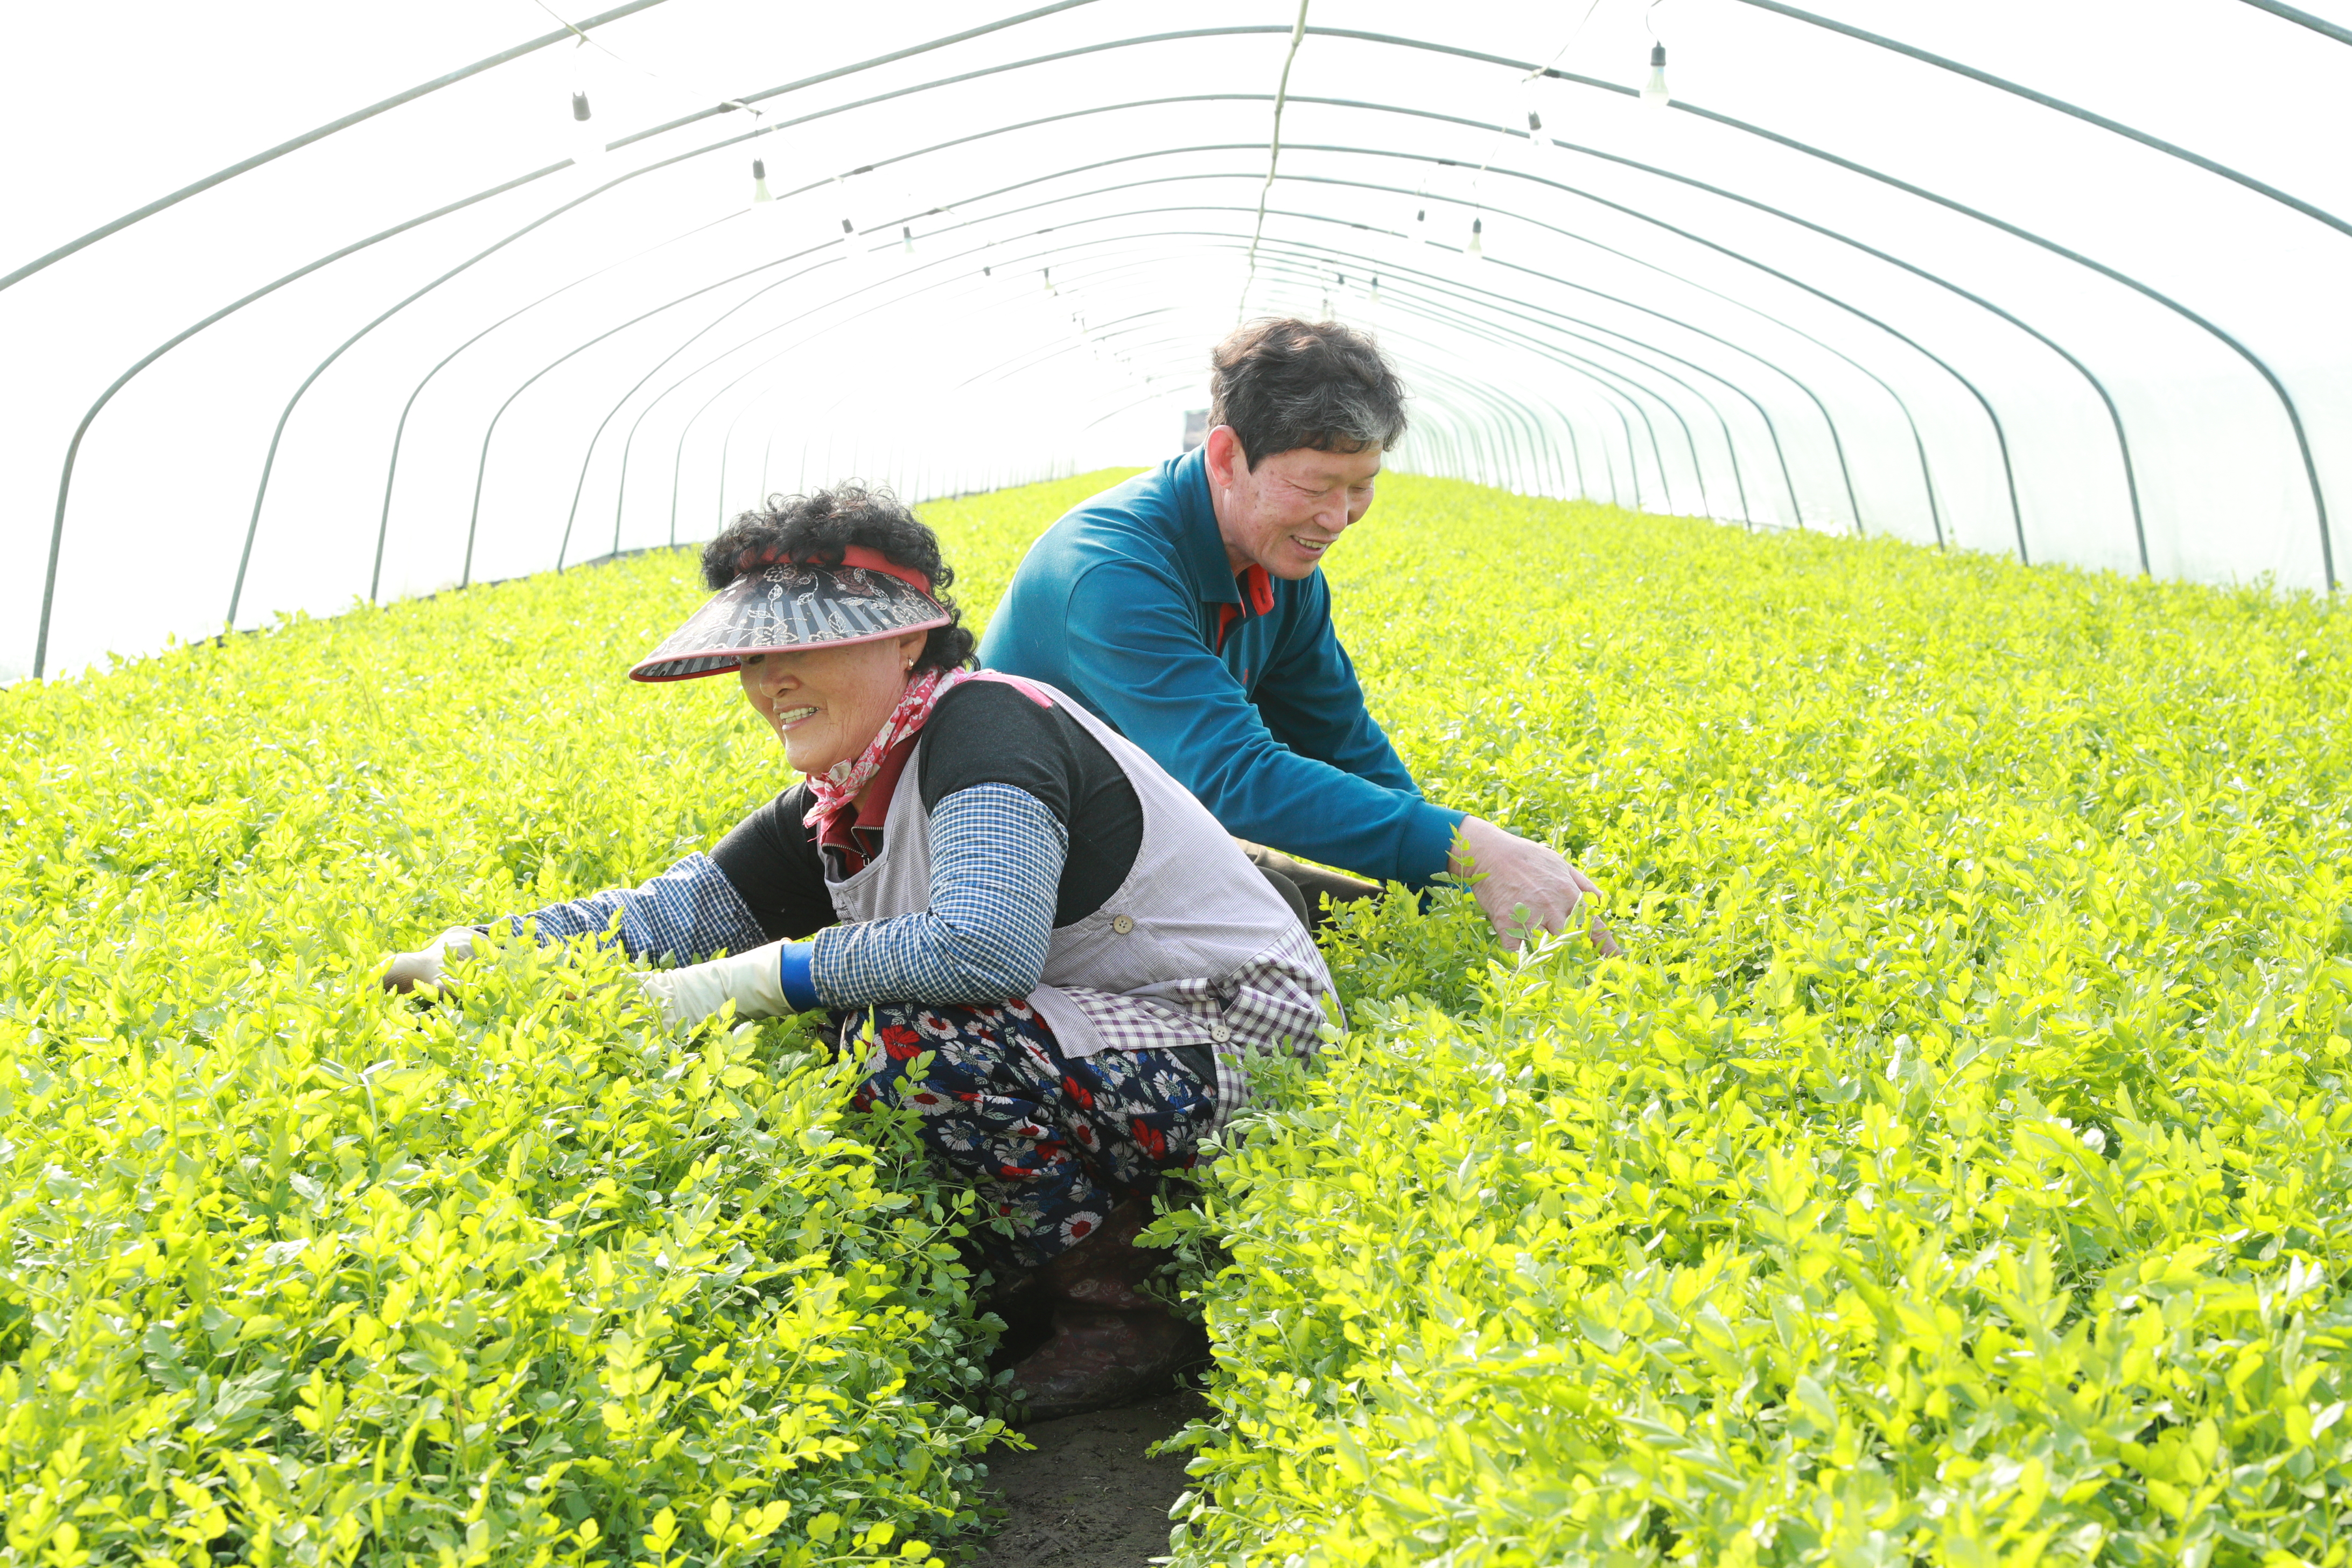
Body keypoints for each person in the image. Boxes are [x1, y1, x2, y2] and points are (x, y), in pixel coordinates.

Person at [381, 485, 1335, 1418]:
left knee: (906, 1036)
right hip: (1105, 1039)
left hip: (1244, 1036)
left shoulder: (986, 726)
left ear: (908, 635)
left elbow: (981, 950)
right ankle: (1033, 1279)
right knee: (865, 1023)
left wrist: (748, 980)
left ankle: (1128, 1310)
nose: (769, 681)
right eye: (755, 654)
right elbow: (670, 916)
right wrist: (488, 951)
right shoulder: (844, 794)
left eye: (802, 645)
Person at [980, 318, 1621, 953]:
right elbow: (1231, 773)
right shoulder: (1112, 571)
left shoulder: (1283, 568)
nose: (1338, 518)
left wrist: (1459, 884)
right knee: (1284, 923)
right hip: (1016, 874)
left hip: (1140, 835)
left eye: (1361, 485)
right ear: (1227, 457)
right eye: (1317, 486)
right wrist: (1468, 846)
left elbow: (1341, 739)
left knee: (1388, 921)